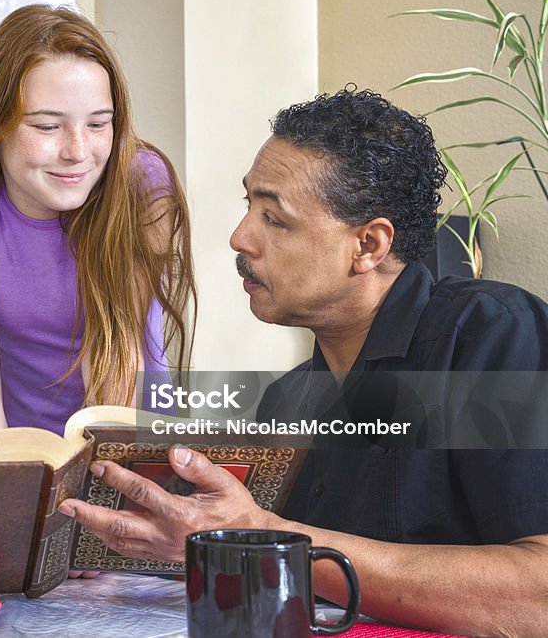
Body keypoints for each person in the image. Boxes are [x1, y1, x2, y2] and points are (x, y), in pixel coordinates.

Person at [60, 89, 548, 637]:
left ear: (368, 245)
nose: (240, 236)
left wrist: (264, 536)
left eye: (275, 217)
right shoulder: (286, 401)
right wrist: (161, 538)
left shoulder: (491, 335)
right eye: (248, 206)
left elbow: (538, 597)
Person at [0, 4, 196, 435]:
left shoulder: (142, 183)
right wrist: (6, 480)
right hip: (16, 440)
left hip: (128, 433)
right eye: (48, 127)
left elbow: (119, 355)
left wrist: (106, 482)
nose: (78, 151)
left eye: (98, 124)